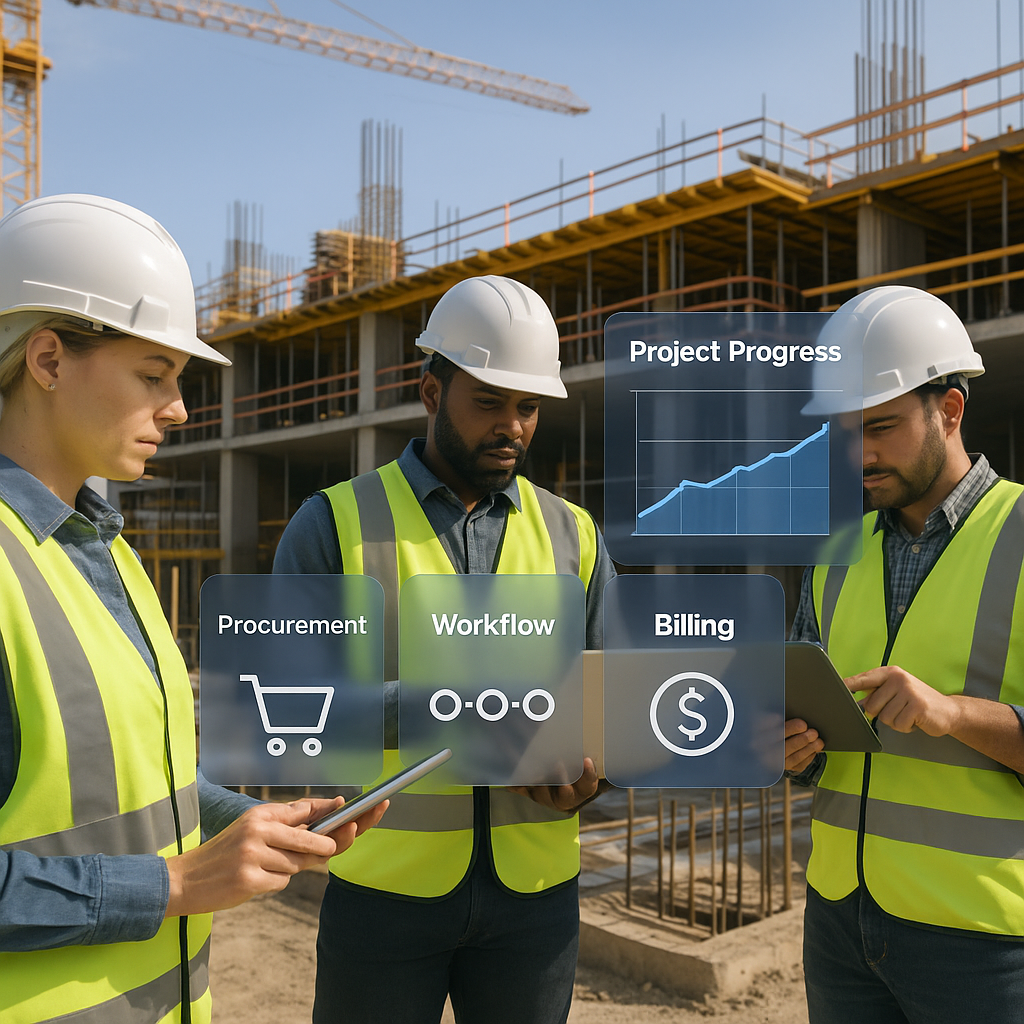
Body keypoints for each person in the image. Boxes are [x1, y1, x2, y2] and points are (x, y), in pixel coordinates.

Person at [0, 194, 387, 1024]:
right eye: (154, 375)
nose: (178, 408)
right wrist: (175, 883)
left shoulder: (107, 553)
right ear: (48, 359)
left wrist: (249, 820)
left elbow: (138, 784)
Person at [274, 274, 616, 1024]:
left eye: (528, 407)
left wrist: (592, 776)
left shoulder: (576, 535)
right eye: (489, 401)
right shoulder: (333, 525)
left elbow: (609, 700)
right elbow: (284, 710)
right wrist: (446, 708)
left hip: (535, 901)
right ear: (431, 392)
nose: (512, 426)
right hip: (384, 894)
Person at [785, 285, 1024, 1023]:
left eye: (880, 426)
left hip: (981, 938)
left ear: (949, 410)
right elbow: (809, 729)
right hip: (837, 920)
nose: (858, 452)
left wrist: (953, 714)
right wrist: (788, 748)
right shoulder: (834, 553)